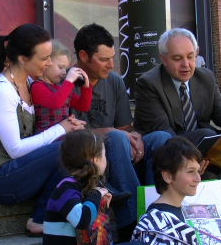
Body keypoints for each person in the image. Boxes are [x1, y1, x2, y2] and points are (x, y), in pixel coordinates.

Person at [133, 28, 221, 212]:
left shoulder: (205, 77)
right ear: (164, 59)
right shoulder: (148, 83)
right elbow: (163, 131)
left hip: (200, 138)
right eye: (177, 58)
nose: (186, 64)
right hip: (165, 144)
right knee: (207, 137)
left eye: (190, 56)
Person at [0, 24, 86, 237]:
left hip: (22, 169)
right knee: (66, 148)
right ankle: (41, 219)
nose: (50, 63)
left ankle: (45, 216)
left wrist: (68, 122)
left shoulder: (27, 82)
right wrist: (60, 129)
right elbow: (15, 150)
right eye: (44, 58)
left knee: (74, 147)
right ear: (24, 59)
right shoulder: (2, 91)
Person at [69, 23, 171, 242]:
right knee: (115, 137)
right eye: (104, 60)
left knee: (161, 138)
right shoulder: (65, 83)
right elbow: (67, 138)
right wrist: (111, 132)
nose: (111, 65)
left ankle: (161, 213)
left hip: (118, 150)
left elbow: (125, 127)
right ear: (83, 56)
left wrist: (135, 138)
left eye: (112, 58)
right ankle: (133, 223)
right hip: (89, 158)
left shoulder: (114, 81)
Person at [131, 137, 209, 244]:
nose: (198, 179)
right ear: (167, 176)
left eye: (198, 171)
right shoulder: (157, 225)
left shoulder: (179, 212)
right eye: (190, 171)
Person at [43, 130, 113, 244]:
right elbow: (82, 220)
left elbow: (93, 232)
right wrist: (96, 194)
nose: (106, 159)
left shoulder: (85, 185)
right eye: (105, 155)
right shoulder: (66, 188)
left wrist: (101, 207)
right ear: (95, 159)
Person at [31, 40, 92, 135]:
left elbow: (83, 106)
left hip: (64, 137)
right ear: (46, 63)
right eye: (60, 67)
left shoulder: (61, 88)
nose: (64, 72)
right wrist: (68, 81)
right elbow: (56, 102)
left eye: (65, 68)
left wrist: (86, 87)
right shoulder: (37, 87)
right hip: (47, 140)